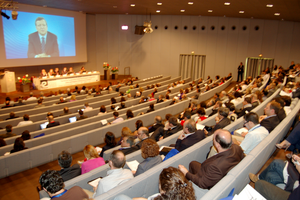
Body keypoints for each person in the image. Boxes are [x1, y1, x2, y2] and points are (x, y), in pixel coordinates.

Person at [178, 129, 245, 189]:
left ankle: (183, 187)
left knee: (191, 166)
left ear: (218, 145)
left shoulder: (215, 166)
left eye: (214, 140)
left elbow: (202, 184)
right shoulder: (237, 147)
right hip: (215, 171)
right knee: (193, 164)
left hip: (209, 178)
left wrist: (186, 173)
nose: (213, 141)